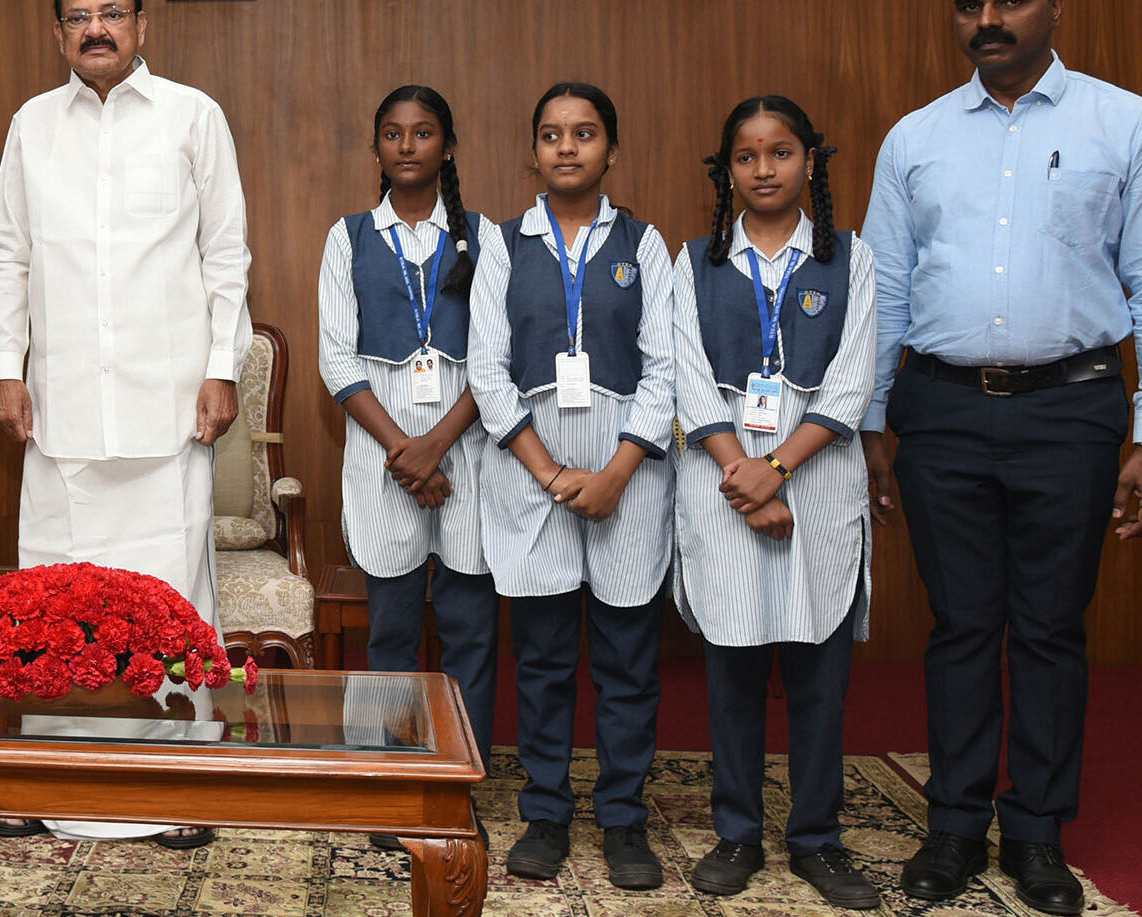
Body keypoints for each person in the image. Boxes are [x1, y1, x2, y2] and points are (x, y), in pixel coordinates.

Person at [860, 0, 1142, 916]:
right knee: (960, 624)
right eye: (969, 5)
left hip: (1072, 405)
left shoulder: (1125, 124)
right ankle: (954, 826)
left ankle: (1038, 833)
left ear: (1054, 4)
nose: (987, 22)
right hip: (938, 410)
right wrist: (874, 423)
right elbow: (881, 294)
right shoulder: (915, 136)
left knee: (1049, 627)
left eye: (1008, 1)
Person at [0, 0, 250, 848]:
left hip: (168, 413)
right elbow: (6, 257)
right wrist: (3, 364)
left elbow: (225, 259)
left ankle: (176, 790)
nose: (96, 29)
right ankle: (48, 780)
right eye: (78, 17)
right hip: (59, 416)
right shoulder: (31, 125)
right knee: (52, 600)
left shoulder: (192, 116)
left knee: (166, 601)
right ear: (57, 34)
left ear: (143, 25)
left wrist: (222, 368)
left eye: (112, 14)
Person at [672, 97, 879, 908]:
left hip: (818, 475)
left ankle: (818, 839)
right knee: (733, 660)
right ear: (726, 171)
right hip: (722, 476)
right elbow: (688, 377)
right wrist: (743, 475)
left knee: (820, 666)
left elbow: (857, 378)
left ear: (810, 162)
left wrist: (779, 470)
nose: (764, 168)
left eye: (782, 152)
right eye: (747, 156)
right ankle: (737, 831)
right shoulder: (692, 261)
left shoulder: (852, 258)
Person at [467, 82, 674, 889]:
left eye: (584, 133)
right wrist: (551, 470)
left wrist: (618, 470)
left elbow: (664, 369)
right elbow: (486, 368)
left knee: (627, 663)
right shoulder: (503, 245)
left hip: (627, 478)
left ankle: (624, 818)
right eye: (551, 134)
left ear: (610, 149)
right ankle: (547, 811)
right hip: (533, 477)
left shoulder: (645, 243)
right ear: (533, 150)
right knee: (546, 660)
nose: (566, 147)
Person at [316, 85, 497, 849]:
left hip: (468, 448)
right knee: (390, 627)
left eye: (425, 132)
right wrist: (405, 450)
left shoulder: (486, 236)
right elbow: (335, 356)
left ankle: (456, 779)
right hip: (382, 451)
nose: (409, 144)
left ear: (448, 146)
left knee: (469, 629)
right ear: (378, 148)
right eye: (393, 133)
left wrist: (438, 446)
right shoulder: (349, 236)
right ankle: (388, 778)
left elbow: (496, 358)